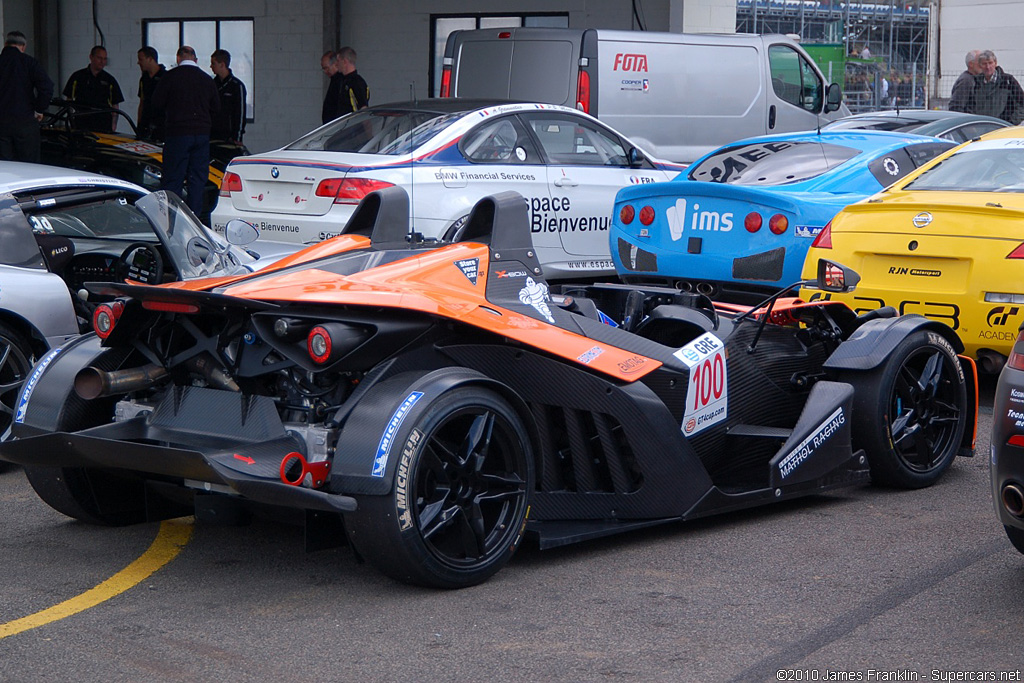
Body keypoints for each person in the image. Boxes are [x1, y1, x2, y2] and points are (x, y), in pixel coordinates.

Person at [151, 45, 220, 217]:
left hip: (178, 133)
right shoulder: (207, 79)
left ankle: (170, 218)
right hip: (202, 135)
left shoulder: (169, 77)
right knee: (197, 180)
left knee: (173, 178)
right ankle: (194, 219)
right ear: (195, 59)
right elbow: (217, 108)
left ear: (178, 59)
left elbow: (156, 105)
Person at [0, 30, 53, 163]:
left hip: (1, 124)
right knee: (29, 167)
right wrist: (39, 109)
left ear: (5, 44)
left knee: (4, 167)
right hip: (25, 122)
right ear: (23, 46)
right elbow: (47, 87)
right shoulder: (29, 62)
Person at [62, 45, 124, 133]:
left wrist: (114, 124)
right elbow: (69, 101)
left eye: (105, 59)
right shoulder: (78, 77)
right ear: (91, 57)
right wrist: (71, 121)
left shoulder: (109, 80)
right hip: (82, 122)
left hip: (103, 123)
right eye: (99, 58)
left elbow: (115, 105)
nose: (102, 62)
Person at [971, 50, 1024, 125]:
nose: (988, 67)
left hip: (1002, 127)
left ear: (995, 63)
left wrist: (1011, 122)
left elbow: (1022, 104)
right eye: (984, 64)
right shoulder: (976, 82)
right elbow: (970, 105)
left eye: (990, 63)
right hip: (981, 126)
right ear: (980, 65)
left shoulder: (1008, 81)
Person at [321, 46, 369, 123]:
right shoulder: (343, 81)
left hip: (352, 129)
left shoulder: (356, 82)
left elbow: (363, 109)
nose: (337, 64)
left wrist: (367, 133)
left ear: (344, 61)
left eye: (338, 61)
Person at [209, 49, 246, 143]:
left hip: (229, 136)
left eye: (213, 63)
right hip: (211, 135)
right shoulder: (211, 85)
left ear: (222, 65)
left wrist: (237, 137)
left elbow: (240, 113)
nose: (211, 66)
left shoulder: (236, 86)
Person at [136, 46, 166, 140]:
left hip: (162, 126)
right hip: (145, 124)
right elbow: (142, 102)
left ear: (150, 59)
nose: (138, 62)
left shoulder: (166, 77)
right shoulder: (144, 79)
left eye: (141, 59)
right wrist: (139, 123)